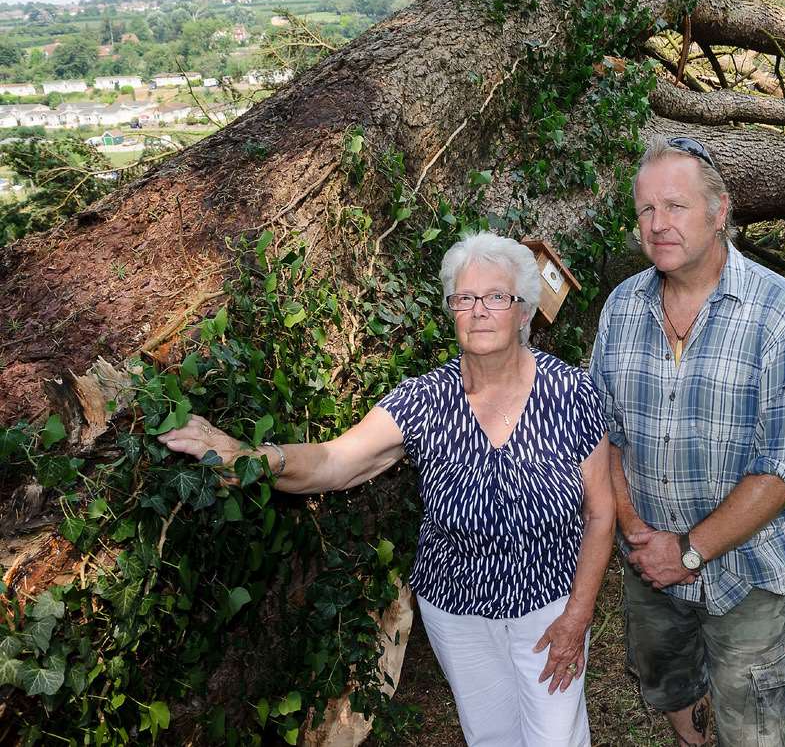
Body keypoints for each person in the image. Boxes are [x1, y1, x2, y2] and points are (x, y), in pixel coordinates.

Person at [159, 232, 614, 747]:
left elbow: (601, 511)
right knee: (491, 736)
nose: (479, 310)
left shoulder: (570, 392)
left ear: (524, 309)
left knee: (556, 739)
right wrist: (251, 457)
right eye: (464, 298)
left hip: (548, 603)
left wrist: (577, 617)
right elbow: (336, 462)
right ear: (451, 311)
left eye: (496, 297)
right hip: (457, 607)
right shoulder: (424, 399)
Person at [588, 136, 785, 746]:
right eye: (645, 209)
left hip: (741, 570)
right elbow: (603, 434)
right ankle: (690, 736)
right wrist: (639, 534)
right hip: (645, 561)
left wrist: (688, 551)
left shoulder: (781, 313)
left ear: (720, 212)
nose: (657, 225)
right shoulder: (620, 310)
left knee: (753, 723)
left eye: (676, 206)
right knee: (666, 679)